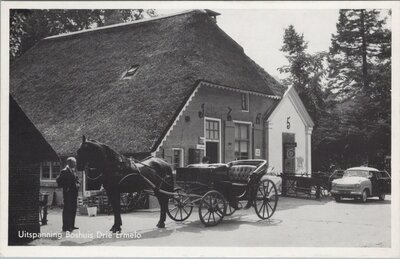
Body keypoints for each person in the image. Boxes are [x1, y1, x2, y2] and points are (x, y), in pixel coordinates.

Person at [56, 157, 80, 232]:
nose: (75, 164)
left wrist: (78, 184)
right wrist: (67, 187)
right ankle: (65, 227)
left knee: (73, 209)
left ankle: (72, 225)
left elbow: (77, 180)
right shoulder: (64, 171)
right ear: (69, 163)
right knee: (67, 210)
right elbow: (59, 181)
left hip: (74, 193)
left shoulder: (73, 171)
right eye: (74, 163)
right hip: (68, 194)